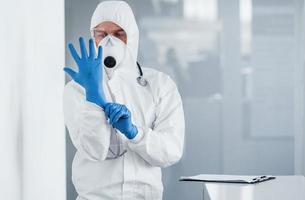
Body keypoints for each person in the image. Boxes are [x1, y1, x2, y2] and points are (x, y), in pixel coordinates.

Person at [63, 1, 185, 199]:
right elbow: (94, 150)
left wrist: (135, 133)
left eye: (119, 34)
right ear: (92, 36)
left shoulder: (160, 84)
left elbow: (172, 149)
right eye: (102, 34)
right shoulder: (76, 90)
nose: (110, 42)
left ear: (132, 36)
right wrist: (93, 97)